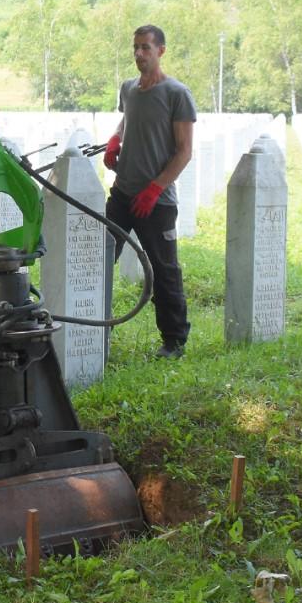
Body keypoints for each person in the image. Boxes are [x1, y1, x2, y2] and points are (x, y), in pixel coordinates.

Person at [103, 24, 196, 359]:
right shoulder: (129, 89)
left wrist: (156, 188)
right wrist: (115, 138)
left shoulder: (176, 93)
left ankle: (174, 341)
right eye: (136, 47)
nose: (140, 54)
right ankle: (98, 329)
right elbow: (128, 120)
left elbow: (184, 150)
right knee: (100, 260)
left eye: (146, 48)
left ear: (161, 51)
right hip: (123, 194)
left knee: (163, 269)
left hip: (156, 202)